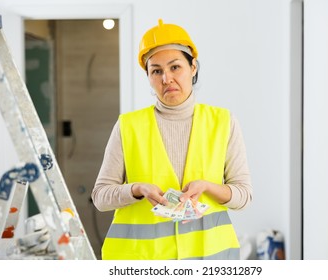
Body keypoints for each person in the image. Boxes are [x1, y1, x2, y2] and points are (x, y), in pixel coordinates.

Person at [91, 19, 252, 260]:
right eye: (156, 70)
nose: (166, 78)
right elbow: (101, 197)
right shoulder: (128, 126)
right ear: (148, 76)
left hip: (209, 260)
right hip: (143, 262)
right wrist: (136, 189)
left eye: (175, 67)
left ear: (193, 67)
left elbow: (243, 196)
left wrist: (207, 187)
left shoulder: (223, 122)